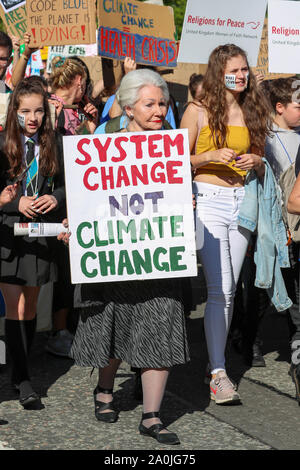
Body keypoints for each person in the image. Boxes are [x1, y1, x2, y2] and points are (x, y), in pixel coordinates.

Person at [66, 69, 189, 445]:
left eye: (162, 103)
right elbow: (85, 197)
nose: (158, 111)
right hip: (115, 258)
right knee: (113, 324)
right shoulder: (102, 143)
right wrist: (75, 220)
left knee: (160, 324)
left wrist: (188, 201)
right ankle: (105, 387)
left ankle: (152, 416)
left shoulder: (172, 146)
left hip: (157, 257)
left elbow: (177, 195)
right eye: (149, 104)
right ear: (129, 108)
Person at [180, 44, 270, 405]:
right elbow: (174, 160)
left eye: (246, 69)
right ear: (219, 71)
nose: (243, 75)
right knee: (221, 289)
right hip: (209, 201)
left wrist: (256, 160)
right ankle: (218, 372)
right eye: (236, 69)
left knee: (230, 288)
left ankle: (214, 361)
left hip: (242, 202)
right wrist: (209, 156)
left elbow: (265, 161)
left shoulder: (252, 109)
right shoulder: (197, 110)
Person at [0, 78, 65, 407]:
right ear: (14, 112)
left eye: (39, 111)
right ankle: (23, 379)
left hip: (40, 234)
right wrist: (15, 204)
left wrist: (55, 198)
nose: (32, 117)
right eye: (25, 111)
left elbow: (69, 185)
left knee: (31, 308)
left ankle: (17, 371)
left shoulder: (54, 143)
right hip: (9, 236)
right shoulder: (2, 144)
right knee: (17, 307)